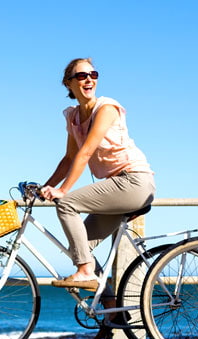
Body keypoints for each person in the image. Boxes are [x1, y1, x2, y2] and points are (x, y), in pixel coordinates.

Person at [41, 58, 155, 292]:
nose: (89, 79)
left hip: (134, 181)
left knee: (67, 204)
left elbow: (86, 152)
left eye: (93, 74)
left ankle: (85, 272)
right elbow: (69, 158)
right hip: (117, 186)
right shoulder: (73, 117)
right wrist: (45, 187)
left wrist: (62, 191)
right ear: (68, 83)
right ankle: (110, 310)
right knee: (79, 247)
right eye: (82, 76)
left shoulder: (106, 108)